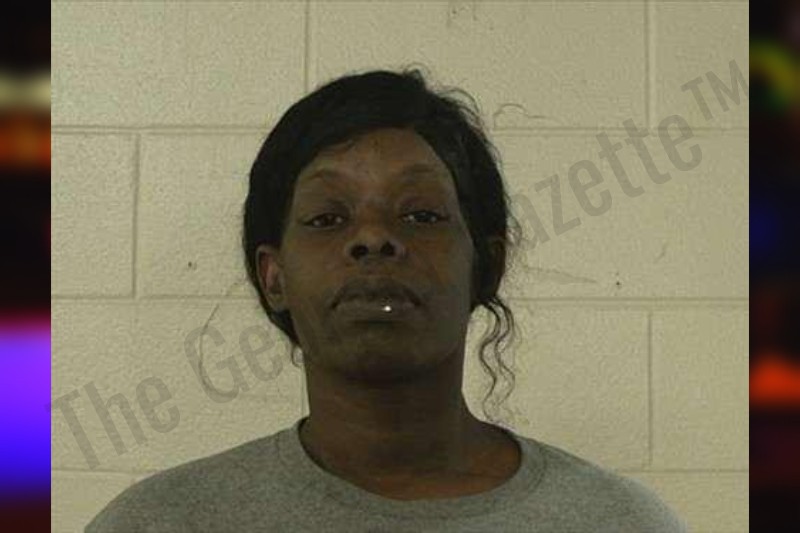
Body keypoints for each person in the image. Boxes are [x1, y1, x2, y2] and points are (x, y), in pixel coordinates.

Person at [86, 69, 688, 532]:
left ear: (486, 265)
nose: (374, 238)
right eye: (327, 218)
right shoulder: (160, 522)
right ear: (274, 277)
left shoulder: (617, 521)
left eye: (421, 214)